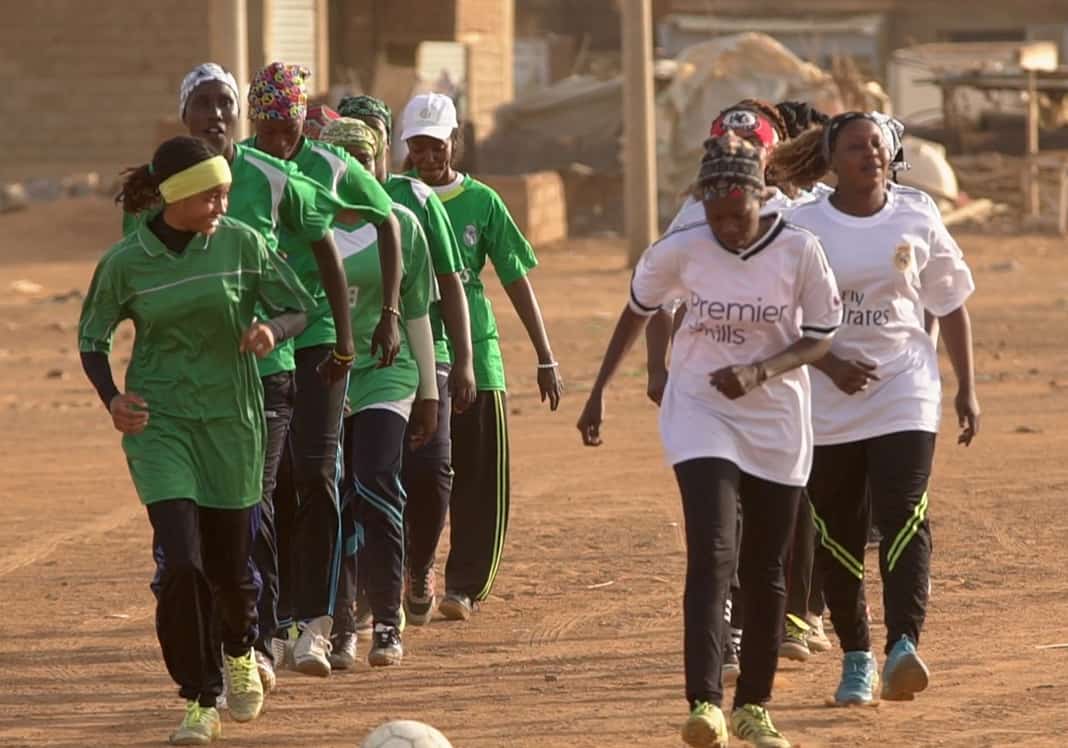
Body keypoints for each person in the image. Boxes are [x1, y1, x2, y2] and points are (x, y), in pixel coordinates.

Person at [577, 134, 842, 748]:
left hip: (776, 418)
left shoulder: (799, 248)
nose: (727, 229)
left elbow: (821, 336)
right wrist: (599, 391)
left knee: (766, 566)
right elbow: (639, 308)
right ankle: (704, 703)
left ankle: (754, 707)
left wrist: (760, 371)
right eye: (716, 216)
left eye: (737, 216)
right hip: (701, 409)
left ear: (760, 197)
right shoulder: (683, 246)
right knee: (713, 550)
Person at [80, 136, 315, 745]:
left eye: (226, 194)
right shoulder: (126, 262)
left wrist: (272, 329)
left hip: (232, 423)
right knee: (182, 563)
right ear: (177, 196)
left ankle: (239, 649)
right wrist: (112, 396)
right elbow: (92, 338)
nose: (222, 205)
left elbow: (300, 307)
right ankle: (199, 697)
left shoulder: (241, 243)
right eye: (212, 195)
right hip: (161, 425)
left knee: (232, 569)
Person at [770, 112, 979, 706]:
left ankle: (903, 646)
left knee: (904, 513)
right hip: (827, 402)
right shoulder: (803, 225)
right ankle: (857, 657)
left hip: (904, 391)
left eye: (878, 145)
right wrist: (830, 364)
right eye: (856, 147)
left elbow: (950, 302)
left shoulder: (917, 214)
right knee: (838, 532)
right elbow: (780, 315)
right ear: (831, 161)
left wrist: (966, 387)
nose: (871, 154)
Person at [645, 99, 836, 679]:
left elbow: (825, 313)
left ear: (773, 154)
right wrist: (659, 368)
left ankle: (800, 613)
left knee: (793, 507)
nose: (741, 155)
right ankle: (729, 628)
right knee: (720, 521)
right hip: (713, 389)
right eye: (730, 146)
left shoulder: (804, 213)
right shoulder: (694, 214)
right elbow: (659, 296)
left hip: (787, 387)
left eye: (754, 147)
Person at [238, 62, 404, 679]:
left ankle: (318, 621)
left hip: (323, 334)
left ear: (303, 121)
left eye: (289, 129)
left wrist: (388, 313)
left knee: (316, 468)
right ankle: (271, 621)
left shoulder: (330, 165)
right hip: (262, 335)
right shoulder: (241, 165)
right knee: (267, 481)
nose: (280, 140)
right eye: (269, 129)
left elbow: (386, 219)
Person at [401, 92, 563, 621]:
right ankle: (410, 569)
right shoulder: (393, 199)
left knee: (478, 477)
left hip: (478, 356)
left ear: (456, 142)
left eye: (437, 145)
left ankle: (464, 586)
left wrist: (544, 355)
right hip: (414, 352)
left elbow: (515, 277)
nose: (428, 157)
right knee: (417, 472)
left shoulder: (482, 202)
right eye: (418, 147)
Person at [338, 93, 474, 635]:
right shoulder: (320, 201)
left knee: (431, 469)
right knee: (358, 478)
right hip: (349, 361)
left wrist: (462, 360)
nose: (363, 147)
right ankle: (367, 590)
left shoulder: (412, 199)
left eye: (373, 134)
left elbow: (448, 282)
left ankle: (418, 567)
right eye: (353, 135)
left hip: (423, 347)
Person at [317, 116, 440, 666]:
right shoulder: (306, 222)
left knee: (376, 482)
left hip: (388, 371)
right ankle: (343, 623)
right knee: (336, 496)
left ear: (377, 164)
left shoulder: (402, 223)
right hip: (327, 373)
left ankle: (388, 621)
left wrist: (430, 393)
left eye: (362, 159)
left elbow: (416, 313)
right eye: (340, 160)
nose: (352, 169)